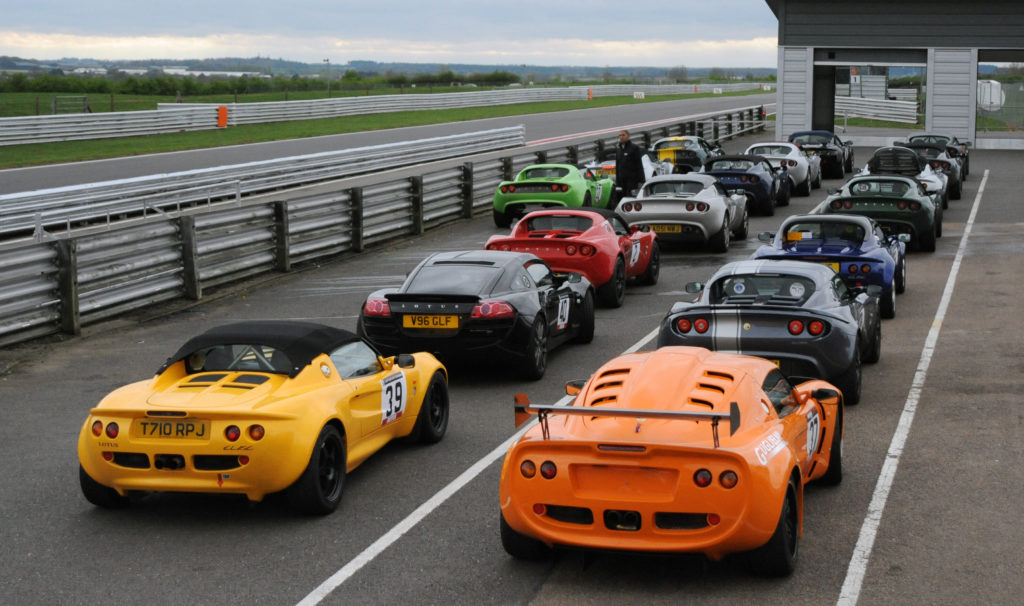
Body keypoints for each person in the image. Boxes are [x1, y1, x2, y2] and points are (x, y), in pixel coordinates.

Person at [614, 130, 646, 200]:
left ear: (628, 136)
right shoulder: (619, 150)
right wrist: (617, 181)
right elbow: (617, 167)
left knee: (630, 199)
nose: (621, 137)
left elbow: (639, 165)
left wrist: (642, 181)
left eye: (623, 135)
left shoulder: (634, 148)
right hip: (621, 182)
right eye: (620, 135)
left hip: (632, 181)